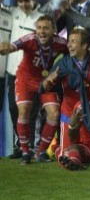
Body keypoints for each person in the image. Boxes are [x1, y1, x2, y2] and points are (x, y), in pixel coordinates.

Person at [0, 15, 68, 164]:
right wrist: (4, 48)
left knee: (54, 114)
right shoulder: (29, 39)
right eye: (39, 28)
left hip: (46, 82)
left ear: (53, 30)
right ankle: (25, 152)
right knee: (24, 111)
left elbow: (73, 52)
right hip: (25, 80)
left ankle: (41, 152)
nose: (42, 31)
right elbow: (13, 46)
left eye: (46, 28)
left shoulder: (61, 43)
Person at [41, 28, 90, 158]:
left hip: (87, 113)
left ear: (84, 46)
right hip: (69, 112)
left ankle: (59, 146)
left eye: (73, 42)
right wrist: (48, 80)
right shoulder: (63, 64)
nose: (69, 45)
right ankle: (57, 148)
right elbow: (44, 88)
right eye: (69, 41)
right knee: (67, 154)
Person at [5, 0, 44, 158]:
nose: (23, 4)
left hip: (31, 74)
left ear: (34, 1)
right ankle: (19, 145)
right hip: (12, 71)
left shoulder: (40, 20)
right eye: (20, 1)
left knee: (31, 111)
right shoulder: (13, 14)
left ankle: (31, 147)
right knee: (14, 109)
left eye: (27, 1)